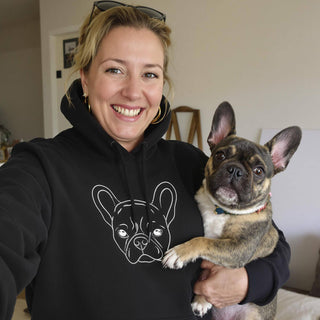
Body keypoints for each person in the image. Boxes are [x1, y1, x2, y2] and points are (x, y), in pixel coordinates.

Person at [0, 2, 290, 319]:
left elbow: (274, 243)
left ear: (161, 85)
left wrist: (249, 281)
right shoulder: (39, 167)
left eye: (149, 74)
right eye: (115, 70)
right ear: (85, 78)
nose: (133, 92)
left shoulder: (191, 163)